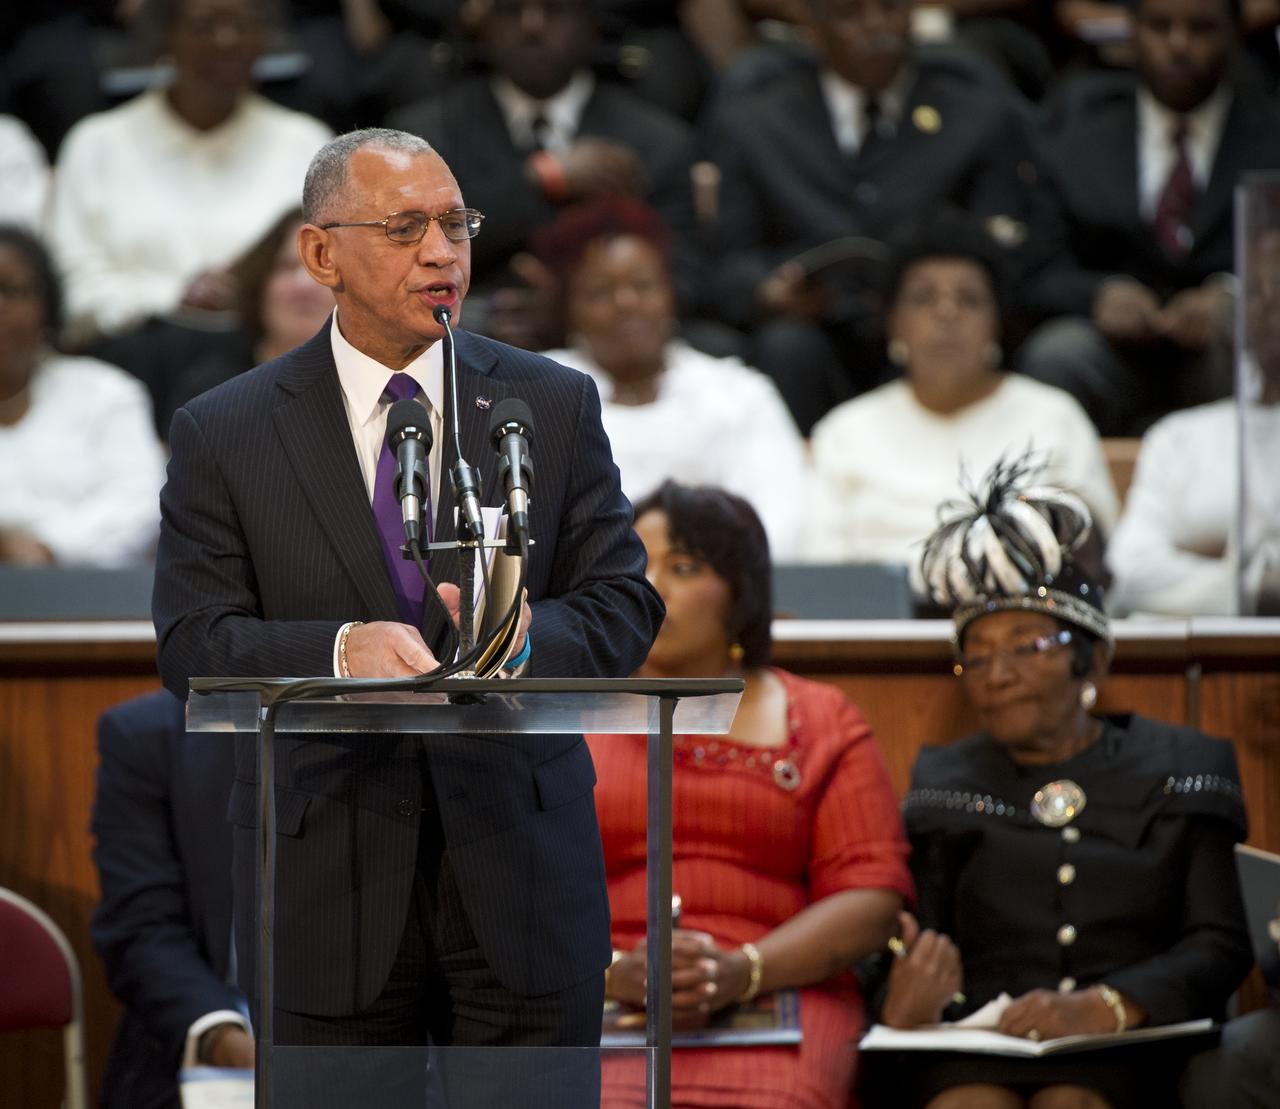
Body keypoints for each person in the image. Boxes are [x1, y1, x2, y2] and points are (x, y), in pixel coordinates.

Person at [151, 126, 664, 1082]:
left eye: (455, 224)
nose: (442, 253)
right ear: (320, 254)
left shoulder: (551, 404)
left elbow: (622, 604)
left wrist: (512, 639)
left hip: (520, 870)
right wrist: (343, 648)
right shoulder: (224, 431)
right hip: (325, 882)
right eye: (404, 227)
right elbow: (194, 642)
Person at [862, 455, 1253, 1109]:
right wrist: (902, 996)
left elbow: (1219, 939)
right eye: (977, 656)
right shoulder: (944, 779)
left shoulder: (1184, 762)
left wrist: (1110, 1006)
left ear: (1089, 657)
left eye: (1026, 646)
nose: (997, 672)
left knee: (1071, 1101)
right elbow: (915, 942)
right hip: (974, 1044)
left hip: (1127, 1040)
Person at [588, 480, 914, 1108]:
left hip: (784, 991)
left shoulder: (820, 719)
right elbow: (511, 884)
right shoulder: (571, 712)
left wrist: (744, 971)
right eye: (637, 564)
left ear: (741, 592)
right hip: (597, 995)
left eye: (683, 568)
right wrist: (608, 970)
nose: (651, 586)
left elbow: (871, 897)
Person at [705, 0, 1043, 434]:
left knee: (956, 329)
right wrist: (769, 290)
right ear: (815, 29)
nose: (876, 26)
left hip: (931, 319)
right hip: (817, 328)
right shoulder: (754, 122)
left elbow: (1005, 242)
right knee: (785, 345)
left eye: (890, 9)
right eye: (850, 14)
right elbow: (727, 260)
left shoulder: (977, 114)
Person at [1018, 0, 1280, 436]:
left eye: (1200, 28)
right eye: (1161, 26)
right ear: (1132, 30)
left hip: (1228, 347)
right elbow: (1036, 268)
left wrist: (1234, 295)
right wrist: (1099, 295)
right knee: (1057, 355)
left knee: (1252, 343)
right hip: (1113, 350)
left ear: (1236, 32)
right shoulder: (1077, 135)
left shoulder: (1272, 138)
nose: (1178, 44)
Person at [809, 209, 1117, 570]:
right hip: (879, 622)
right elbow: (821, 570)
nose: (947, 314)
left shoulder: (1054, 417)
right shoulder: (845, 431)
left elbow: (1097, 561)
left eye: (969, 299)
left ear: (997, 323)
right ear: (893, 323)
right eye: (923, 299)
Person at [388, 0, 702, 347]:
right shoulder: (425, 137)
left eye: (555, 10)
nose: (531, 26)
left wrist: (577, 309)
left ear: (592, 26)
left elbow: (686, 273)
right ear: (483, 26)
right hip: (473, 334)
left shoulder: (657, 139)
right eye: (510, 10)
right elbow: (409, 255)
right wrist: (539, 179)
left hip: (616, 340)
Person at [533, 197, 812, 560]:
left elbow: (779, 524)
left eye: (644, 285)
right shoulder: (536, 391)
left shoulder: (740, 393)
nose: (626, 303)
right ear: (569, 307)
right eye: (600, 291)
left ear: (671, 293)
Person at [45, 0, 332, 346]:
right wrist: (173, 298)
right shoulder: (97, 143)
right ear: (164, 37)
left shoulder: (305, 142)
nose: (226, 40)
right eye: (203, 26)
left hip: (270, 361)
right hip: (131, 355)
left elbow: (331, 273)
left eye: (243, 25)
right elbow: (70, 287)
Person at [1107, 218, 1280, 616]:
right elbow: (1128, 574)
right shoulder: (1179, 437)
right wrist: (1250, 585)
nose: (1271, 308)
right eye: (1256, 292)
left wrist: (1204, 553)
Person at [91, 690, 248, 1109]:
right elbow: (140, 928)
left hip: (374, 1040)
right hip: (211, 1031)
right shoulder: (142, 735)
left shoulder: (395, 726)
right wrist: (223, 1038)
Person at [0, 224, 166, 567]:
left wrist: (47, 547)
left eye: (10, 291)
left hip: (85, 601)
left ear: (47, 307)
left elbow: (139, 504)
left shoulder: (107, 395)